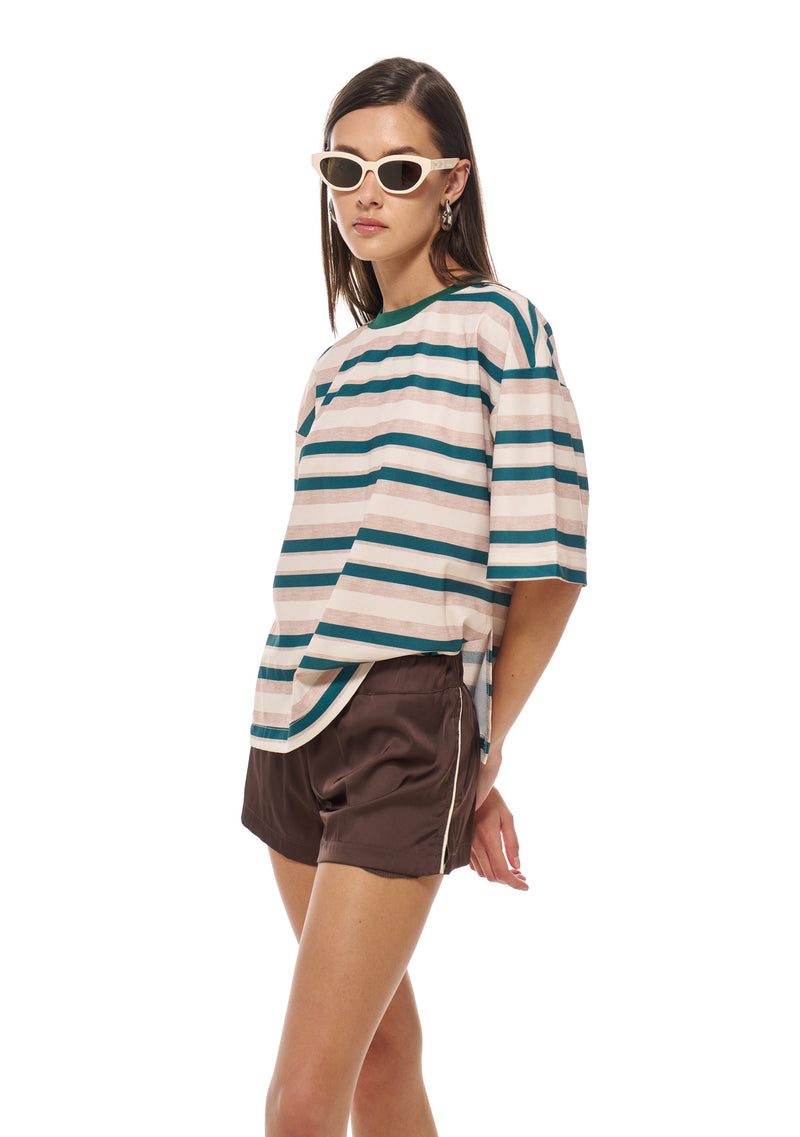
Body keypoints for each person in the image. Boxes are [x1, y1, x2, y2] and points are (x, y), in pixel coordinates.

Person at [241, 56, 588, 1137]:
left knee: (300, 1103)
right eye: (342, 169)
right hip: (288, 720)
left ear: (451, 182)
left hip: (408, 718)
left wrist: (478, 746)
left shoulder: (501, 330)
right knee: (380, 1053)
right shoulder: (333, 369)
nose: (365, 193)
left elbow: (546, 570)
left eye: (396, 169)